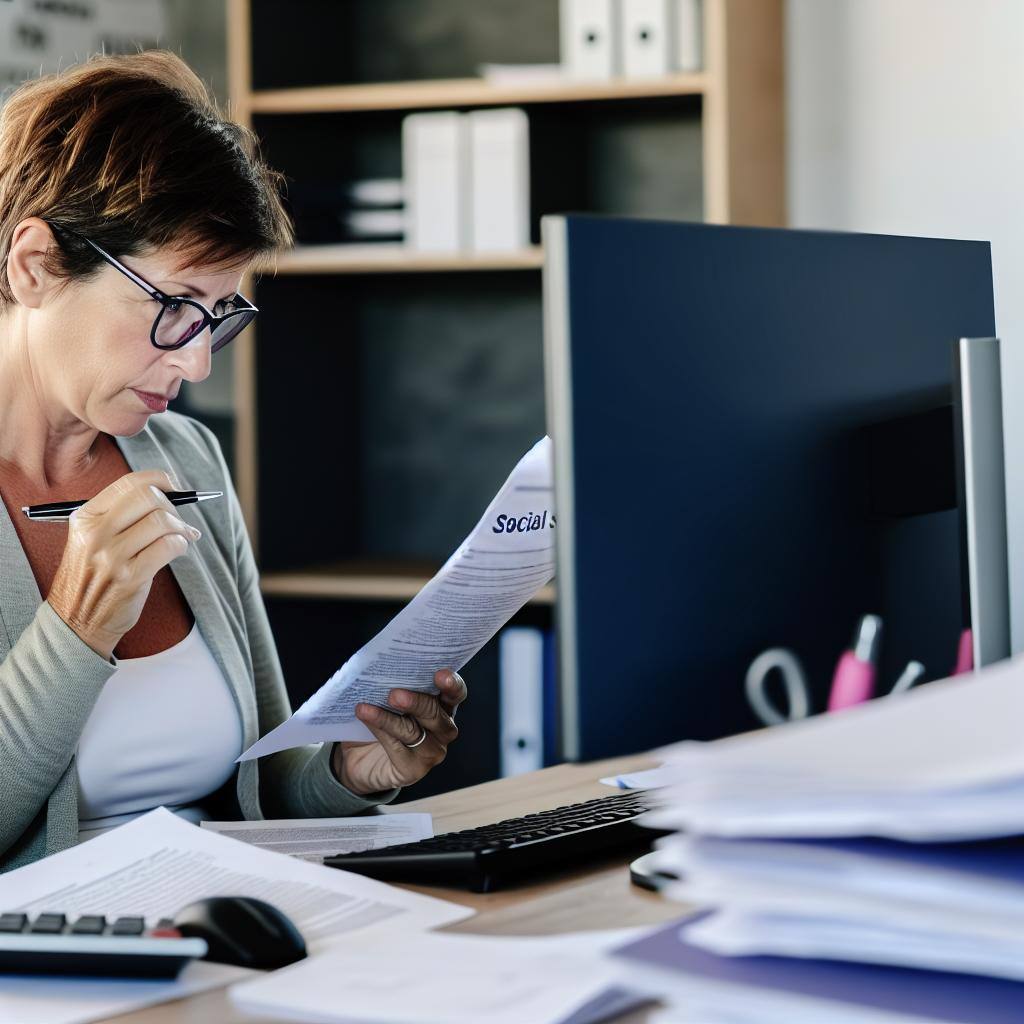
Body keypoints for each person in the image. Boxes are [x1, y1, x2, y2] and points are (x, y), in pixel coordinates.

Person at [0, 51, 467, 872]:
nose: (197, 363)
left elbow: (262, 781)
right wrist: (74, 631)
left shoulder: (186, 455)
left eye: (218, 315)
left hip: (224, 930)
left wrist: (353, 773)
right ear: (34, 265)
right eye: (175, 308)